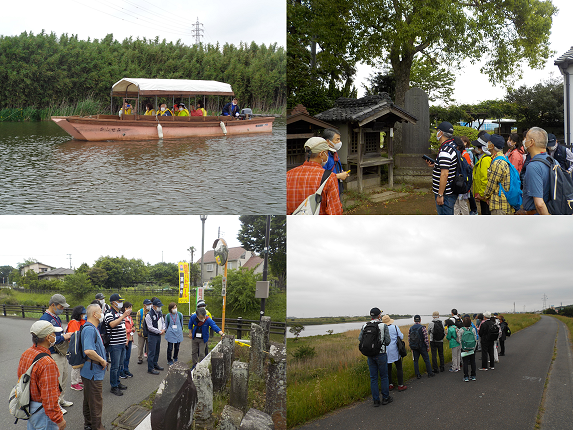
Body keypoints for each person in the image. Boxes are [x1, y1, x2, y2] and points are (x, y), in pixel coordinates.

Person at [18, 320, 66, 430]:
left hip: (28, 404)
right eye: (54, 334)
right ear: (48, 338)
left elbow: (20, 378)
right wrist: (58, 419)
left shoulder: (26, 353)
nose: (55, 336)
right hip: (42, 410)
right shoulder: (47, 363)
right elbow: (49, 395)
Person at [286, 137, 343, 215]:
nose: (327, 156)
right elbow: (335, 212)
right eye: (327, 153)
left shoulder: (288, 175)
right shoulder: (329, 177)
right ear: (321, 154)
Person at [39, 294, 73, 413]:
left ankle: (61, 399)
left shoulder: (56, 317)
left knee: (64, 377)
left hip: (61, 352)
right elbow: (46, 340)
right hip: (53, 353)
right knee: (56, 381)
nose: (62, 309)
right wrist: (64, 337)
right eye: (60, 306)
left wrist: (64, 336)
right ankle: (56, 404)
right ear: (53, 305)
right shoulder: (45, 319)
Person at [81, 303, 108, 430]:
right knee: (96, 402)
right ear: (94, 314)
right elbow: (89, 351)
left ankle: (89, 424)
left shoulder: (90, 328)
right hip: (93, 371)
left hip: (89, 371)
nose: (101, 313)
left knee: (89, 400)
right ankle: (97, 427)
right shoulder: (90, 329)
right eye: (100, 311)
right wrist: (102, 360)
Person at [359, 308, 392, 406]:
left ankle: (376, 400)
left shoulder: (365, 325)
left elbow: (360, 338)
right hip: (381, 354)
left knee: (373, 378)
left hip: (370, 355)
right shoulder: (383, 325)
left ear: (371, 316)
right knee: (384, 376)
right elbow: (388, 341)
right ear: (379, 316)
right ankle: (385, 398)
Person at [425, 121, 458, 215]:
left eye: (438, 131)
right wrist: (436, 165)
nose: (437, 133)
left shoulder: (445, 151)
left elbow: (444, 174)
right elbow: (448, 167)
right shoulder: (452, 146)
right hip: (449, 192)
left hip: (445, 194)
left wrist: (440, 194)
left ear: (441, 133)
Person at [518, 127, 551, 215]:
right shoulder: (553, 161)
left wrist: (549, 222)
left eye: (526, 138)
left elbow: (539, 204)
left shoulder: (533, 166)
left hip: (537, 217)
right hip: (553, 211)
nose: (524, 141)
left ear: (531, 142)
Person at [104, 293, 130, 395]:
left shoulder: (119, 313)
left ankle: (117, 383)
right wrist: (123, 315)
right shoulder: (109, 313)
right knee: (114, 367)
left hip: (122, 343)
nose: (121, 303)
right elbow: (112, 324)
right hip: (114, 345)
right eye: (119, 301)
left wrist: (126, 339)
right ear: (113, 303)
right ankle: (113, 386)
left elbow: (122, 327)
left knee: (120, 365)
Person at [483, 134, 514, 215]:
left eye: (488, 142)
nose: (487, 144)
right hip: (503, 202)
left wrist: (486, 195)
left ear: (492, 145)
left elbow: (492, 183)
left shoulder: (497, 162)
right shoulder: (503, 158)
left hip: (499, 204)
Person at [322, 128, 349, 199]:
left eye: (339, 139)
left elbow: (338, 167)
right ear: (328, 141)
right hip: (328, 191)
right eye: (337, 140)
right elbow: (321, 176)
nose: (339, 142)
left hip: (337, 187)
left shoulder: (334, 152)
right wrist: (339, 176)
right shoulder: (323, 156)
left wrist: (342, 172)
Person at [382, 314, 407, 391]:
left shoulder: (382, 329)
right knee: (399, 368)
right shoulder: (395, 327)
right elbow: (401, 337)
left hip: (385, 351)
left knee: (388, 369)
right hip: (395, 350)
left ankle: (390, 385)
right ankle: (400, 385)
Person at [472, 132, 492, 214]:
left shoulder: (485, 160)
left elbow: (485, 179)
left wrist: (481, 194)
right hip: (483, 196)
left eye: (478, 147)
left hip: (484, 196)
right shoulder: (483, 158)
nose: (476, 148)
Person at [145, 298, 166, 375]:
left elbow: (163, 322)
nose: (160, 307)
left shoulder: (160, 313)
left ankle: (155, 364)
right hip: (152, 336)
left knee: (157, 351)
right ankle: (150, 368)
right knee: (151, 352)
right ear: (153, 306)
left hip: (158, 335)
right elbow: (149, 327)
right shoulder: (149, 315)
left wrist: (163, 329)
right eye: (158, 306)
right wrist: (159, 331)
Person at [68, 305, 86, 391]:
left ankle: (79, 380)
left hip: (80, 345)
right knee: (76, 365)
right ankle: (74, 383)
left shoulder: (80, 322)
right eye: (82, 314)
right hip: (75, 346)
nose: (84, 315)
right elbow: (74, 335)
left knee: (81, 364)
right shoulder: (73, 323)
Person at [454, 137, 472, 215]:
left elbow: (466, 171)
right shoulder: (460, 154)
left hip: (462, 183)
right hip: (459, 183)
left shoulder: (465, 154)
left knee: (462, 204)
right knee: (456, 204)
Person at [119, 301, 134, 379]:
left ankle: (126, 369)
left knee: (127, 356)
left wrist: (132, 329)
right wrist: (130, 330)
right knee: (123, 357)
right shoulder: (122, 318)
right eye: (129, 307)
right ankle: (121, 371)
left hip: (130, 339)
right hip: (125, 339)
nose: (131, 309)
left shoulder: (130, 317)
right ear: (125, 308)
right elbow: (124, 330)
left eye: (131, 307)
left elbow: (133, 327)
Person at [460, 316, 477, 382]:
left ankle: (466, 376)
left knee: (465, 362)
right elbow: (475, 338)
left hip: (464, 348)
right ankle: (473, 376)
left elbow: (459, 339)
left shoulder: (461, 330)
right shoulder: (473, 329)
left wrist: (463, 348)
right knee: (473, 361)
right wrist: (474, 347)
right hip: (472, 348)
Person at [136, 299, 152, 364]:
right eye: (148, 304)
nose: (149, 306)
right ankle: (140, 358)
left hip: (149, 331)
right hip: (142, 331)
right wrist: (138, 331)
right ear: (144, 305)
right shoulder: (140, 312)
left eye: (150, 304)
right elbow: (137, 322)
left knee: (149, 345)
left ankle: (149, 357)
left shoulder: (151, 311)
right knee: (141, 345)